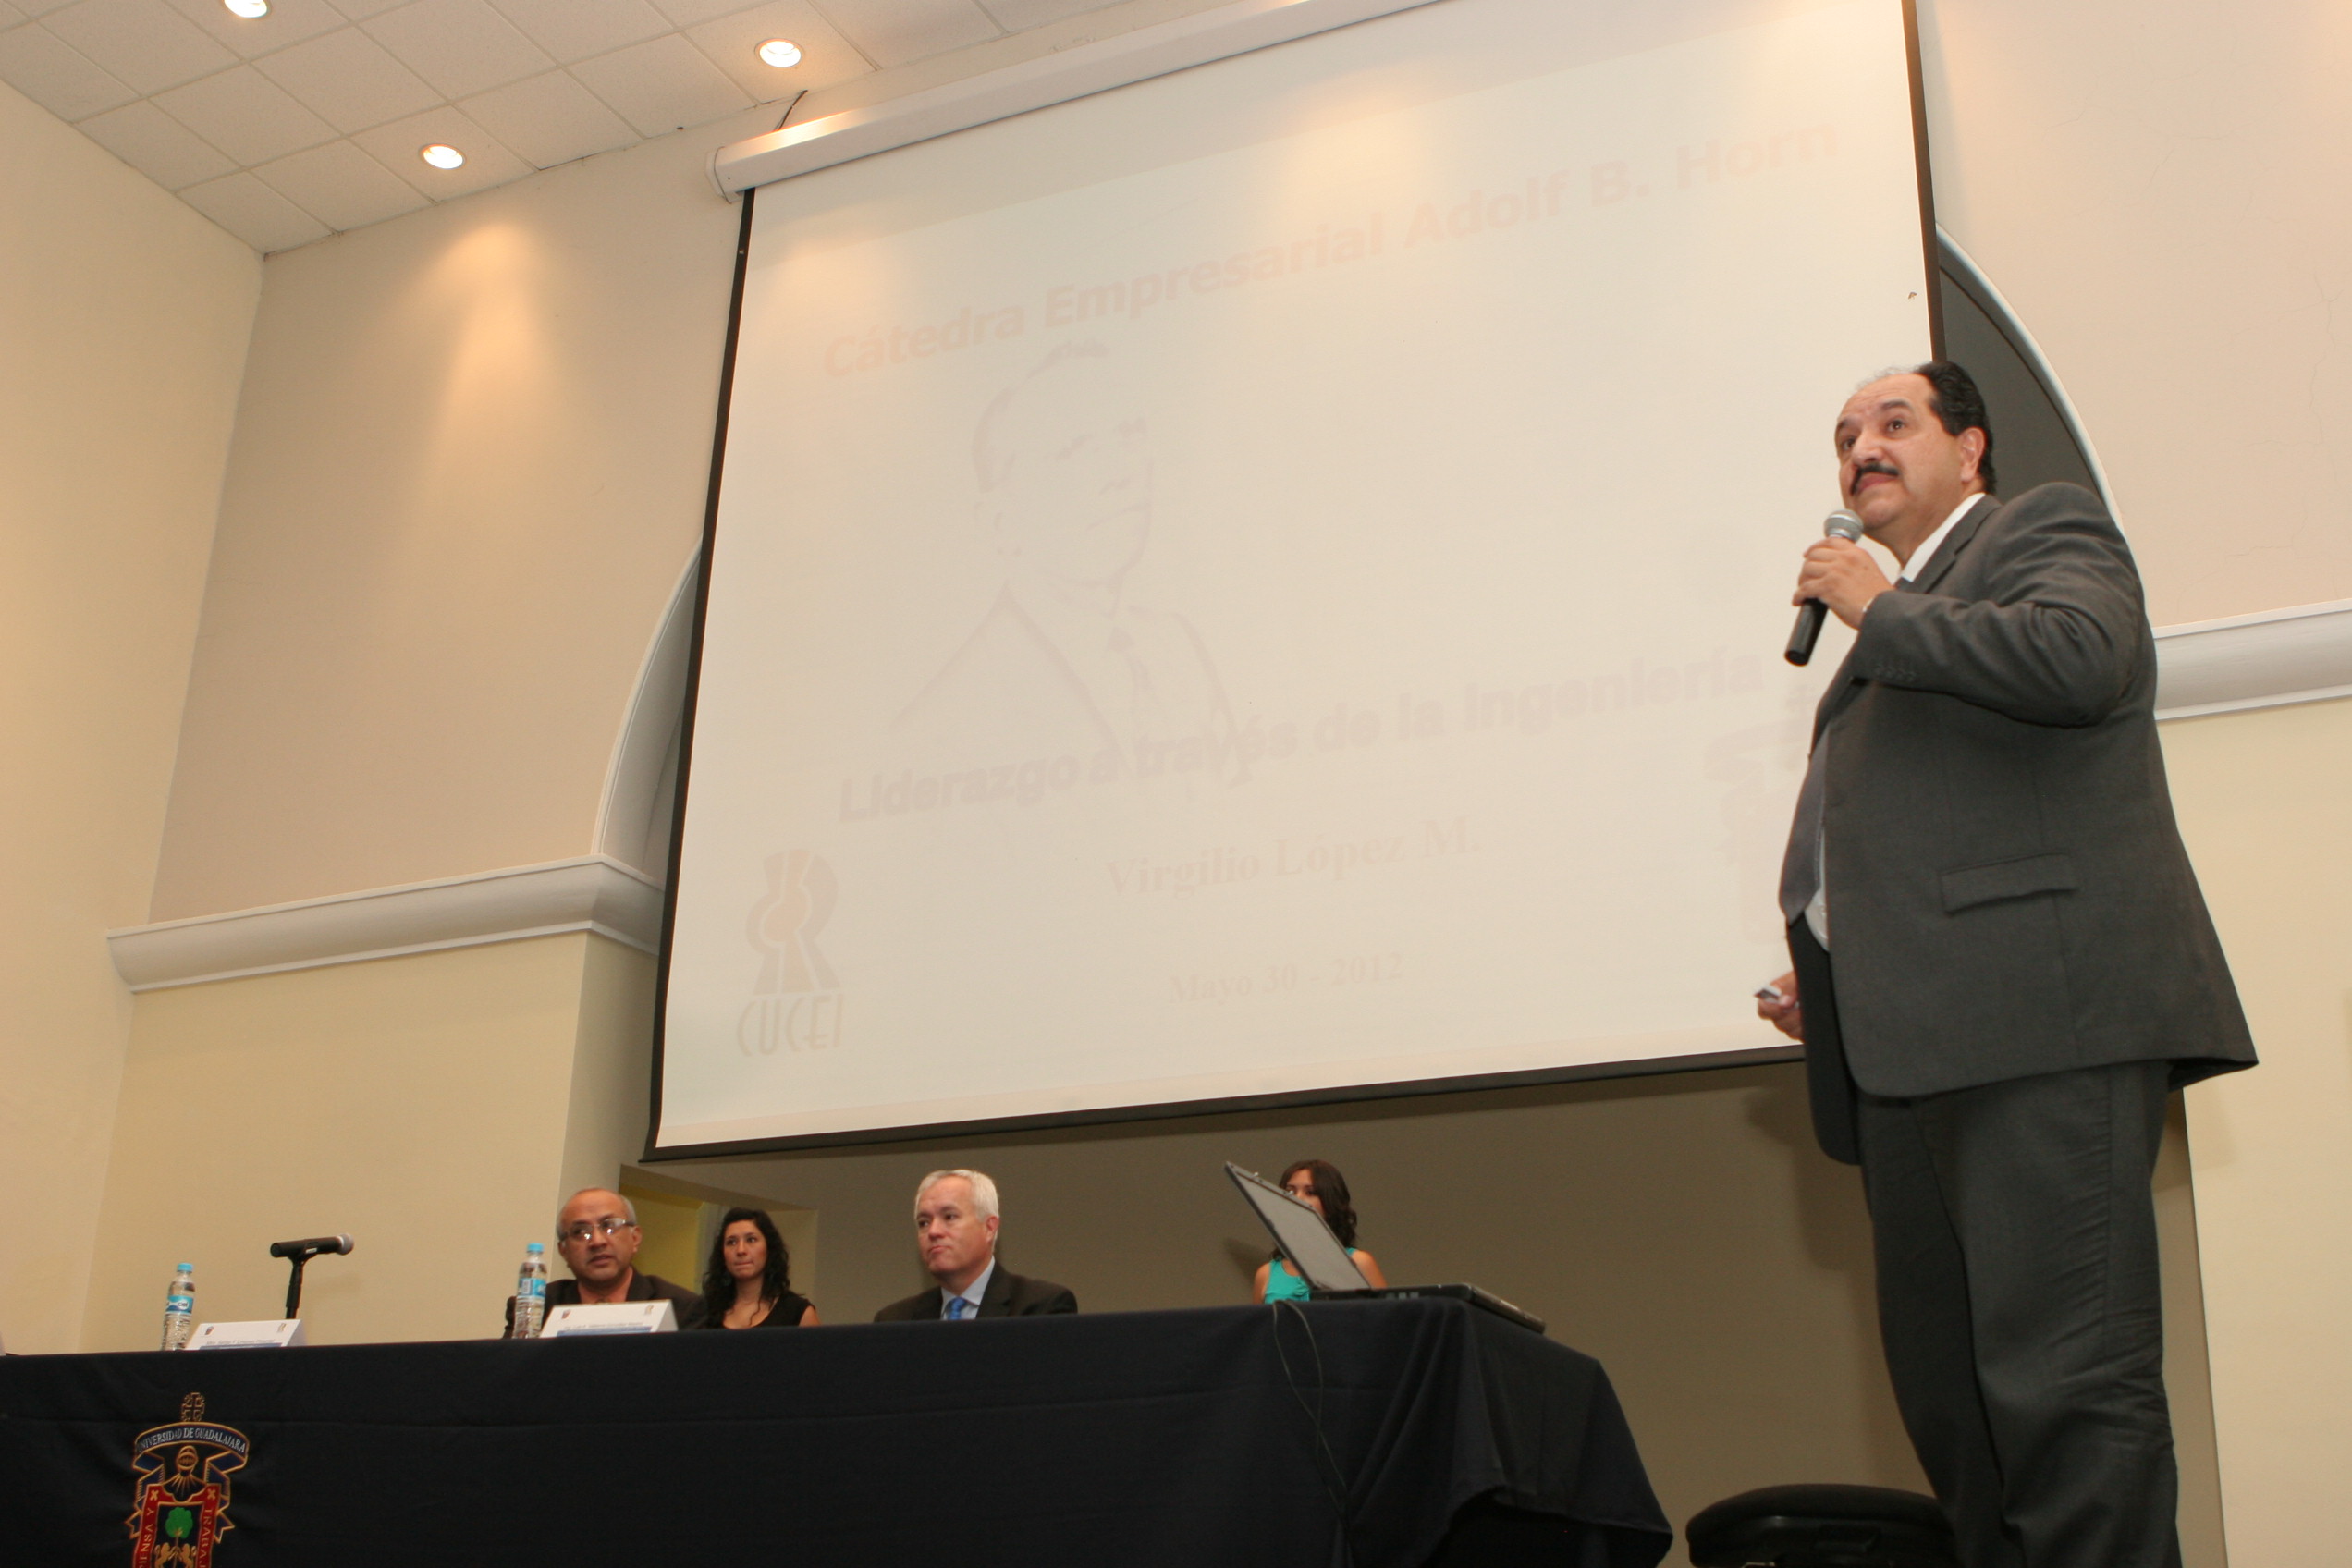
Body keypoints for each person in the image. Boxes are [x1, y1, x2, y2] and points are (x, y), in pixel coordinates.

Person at [1758, 361, 2254, 1568]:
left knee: (2065, 1392)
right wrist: (1843, 968)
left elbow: (2081, 658)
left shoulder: (2039, 530)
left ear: (1971, 449)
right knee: (1960, 1416)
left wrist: (1881, 608)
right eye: (1844, 436)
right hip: (1908, 1051)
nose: (1861, 449)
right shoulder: (1899, 623)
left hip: (2041, 1030)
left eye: (1894, 422)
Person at [872, 1169, 1077, 1321]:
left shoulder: (1041, 1307)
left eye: (949, 1217)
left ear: (989, 1228)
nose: (933, 1231)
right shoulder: (894, 1320)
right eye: (924, 1223)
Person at [503, 1187, 704, 1334]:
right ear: (564, 1251)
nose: (597, 1242)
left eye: (609, 1226)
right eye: (580, 1232)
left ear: (635, 1238)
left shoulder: (681, 1308)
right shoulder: (537, 1309)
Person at [1254, 1158, 1388, 1302]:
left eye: (1310, 1192)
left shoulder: (1359, 1262)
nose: (1297, 1198)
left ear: (1330, 1203)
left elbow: (1386, 1313)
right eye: (1290, 1191)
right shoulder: (1266, 1273)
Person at [694, 1207, 818, 1329]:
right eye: (731, 1242)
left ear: (769, 1249)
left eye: (751, 1240)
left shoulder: (797, 1312)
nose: (740, 1250)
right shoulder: (703, 1312)